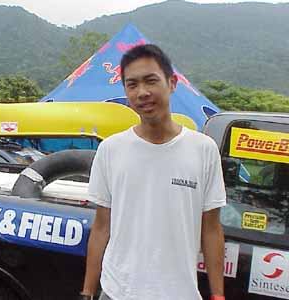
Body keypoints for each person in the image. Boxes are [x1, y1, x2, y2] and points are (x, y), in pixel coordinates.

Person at [79, 44, 226, 300]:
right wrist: (87, 293)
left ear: (172, 83)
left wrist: (218, 295)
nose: (142, 92)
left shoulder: (203, 149)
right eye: (132, 84)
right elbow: (102, 227)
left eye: (151, 81)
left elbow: (211, 230)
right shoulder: (111, 149)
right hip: (117, 292)